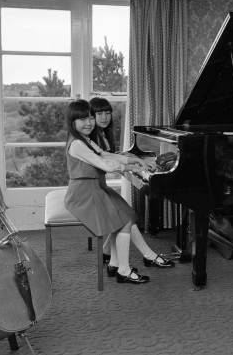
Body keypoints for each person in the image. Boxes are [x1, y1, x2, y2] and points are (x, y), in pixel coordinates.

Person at [64, 100, 174, 284]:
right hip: (84, 194)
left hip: (95, 188)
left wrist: (136, 161)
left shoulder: (85, 139)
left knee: (127, 215)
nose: (89, 122)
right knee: (123, 221)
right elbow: (105, 165)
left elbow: (106, 155)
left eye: (91, 117)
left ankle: (115, 263)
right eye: (83, 119)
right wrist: (132, 166)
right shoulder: (77, 145)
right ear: (72, 121)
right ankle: (123, 270)